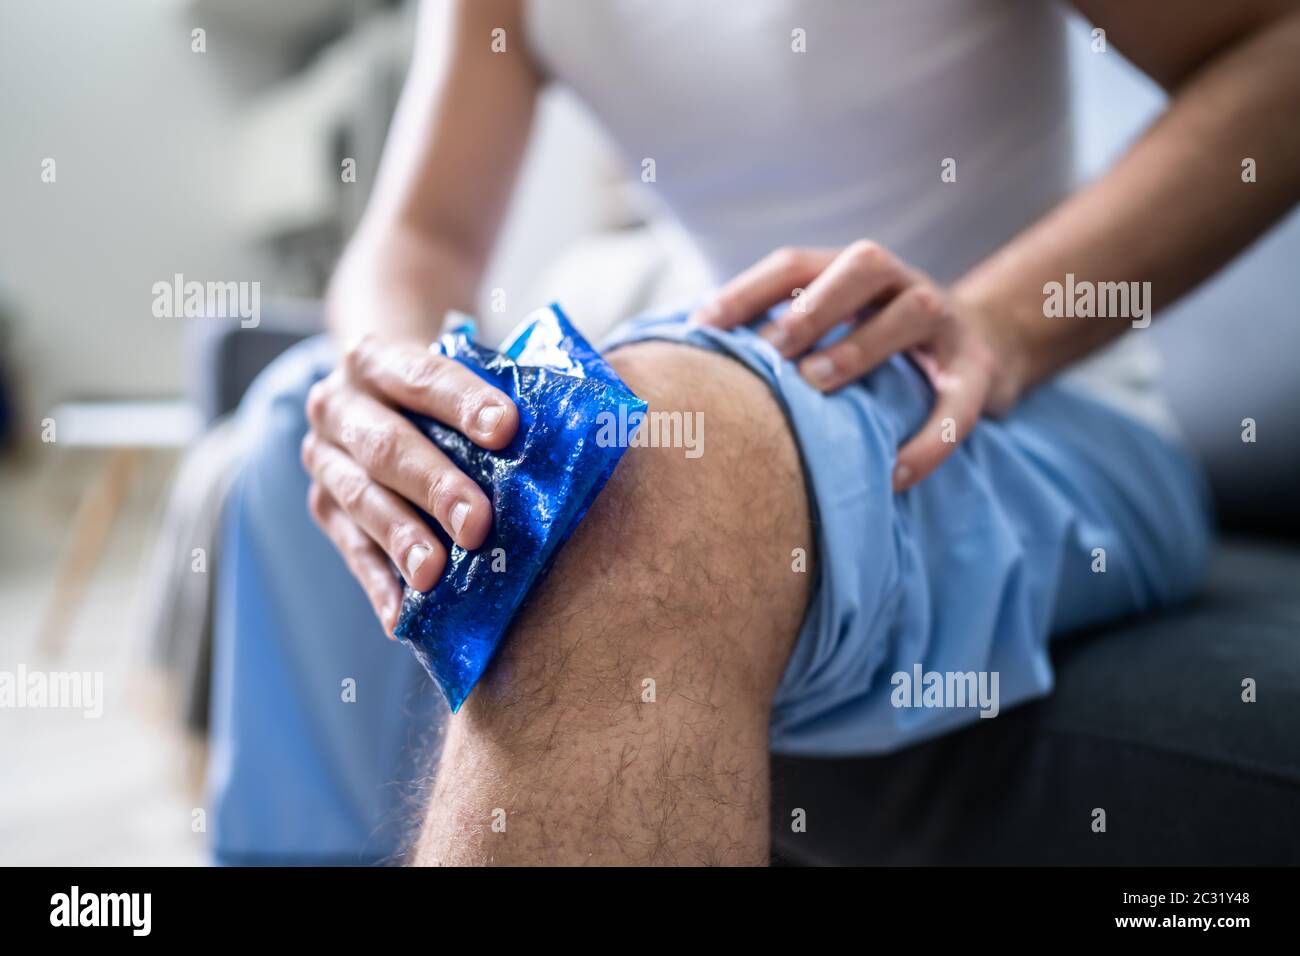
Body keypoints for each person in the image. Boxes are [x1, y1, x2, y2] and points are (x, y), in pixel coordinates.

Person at [208, 0, 1300, 864]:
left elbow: (1274, 47)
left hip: (1030, 413)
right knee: (291, 436)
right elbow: (421, 233)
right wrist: (391, 388)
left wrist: (1002, 322)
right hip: (757, 365)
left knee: (634, 481)